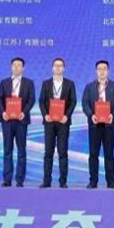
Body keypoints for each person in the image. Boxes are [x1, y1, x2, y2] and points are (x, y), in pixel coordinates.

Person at [82, 60, 114, 189]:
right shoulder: (89, 87)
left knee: (109, 153)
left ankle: (110, 181)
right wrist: (91, 115)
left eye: (104, 69)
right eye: (99, 69)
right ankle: (93, 181)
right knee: (93, 154)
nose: (102, 71)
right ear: (96, 71)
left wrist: (113, 114)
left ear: (108, 71)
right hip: (94, 125)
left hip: (109, 125)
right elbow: (85, 103)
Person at [0, 57, 35, 187]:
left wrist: (24, 112)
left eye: (19, 65)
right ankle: (7, 179)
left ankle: (20, 180)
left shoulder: (28, 83)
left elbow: (31, 99)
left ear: (23, 68)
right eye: (14, 65)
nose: (17, 67)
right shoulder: (4, 82)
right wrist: (3, 112)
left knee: (21, 150)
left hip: (21, 120)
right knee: (7, 150)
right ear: (11, 67)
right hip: (7, 120)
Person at [38, 58, 77, 188]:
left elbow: (73, 101)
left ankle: (63, 181)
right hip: (49, 122)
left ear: (64, 68)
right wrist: (45, 115)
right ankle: (46, 181)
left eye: (60, 66)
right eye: (56, 65)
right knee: (48, 152)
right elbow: (41, 101)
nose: (58, 68)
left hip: (63, 122)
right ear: (52, 68)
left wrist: (66, 116)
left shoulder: (69, 84)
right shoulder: (46, 83)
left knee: (63, 152)